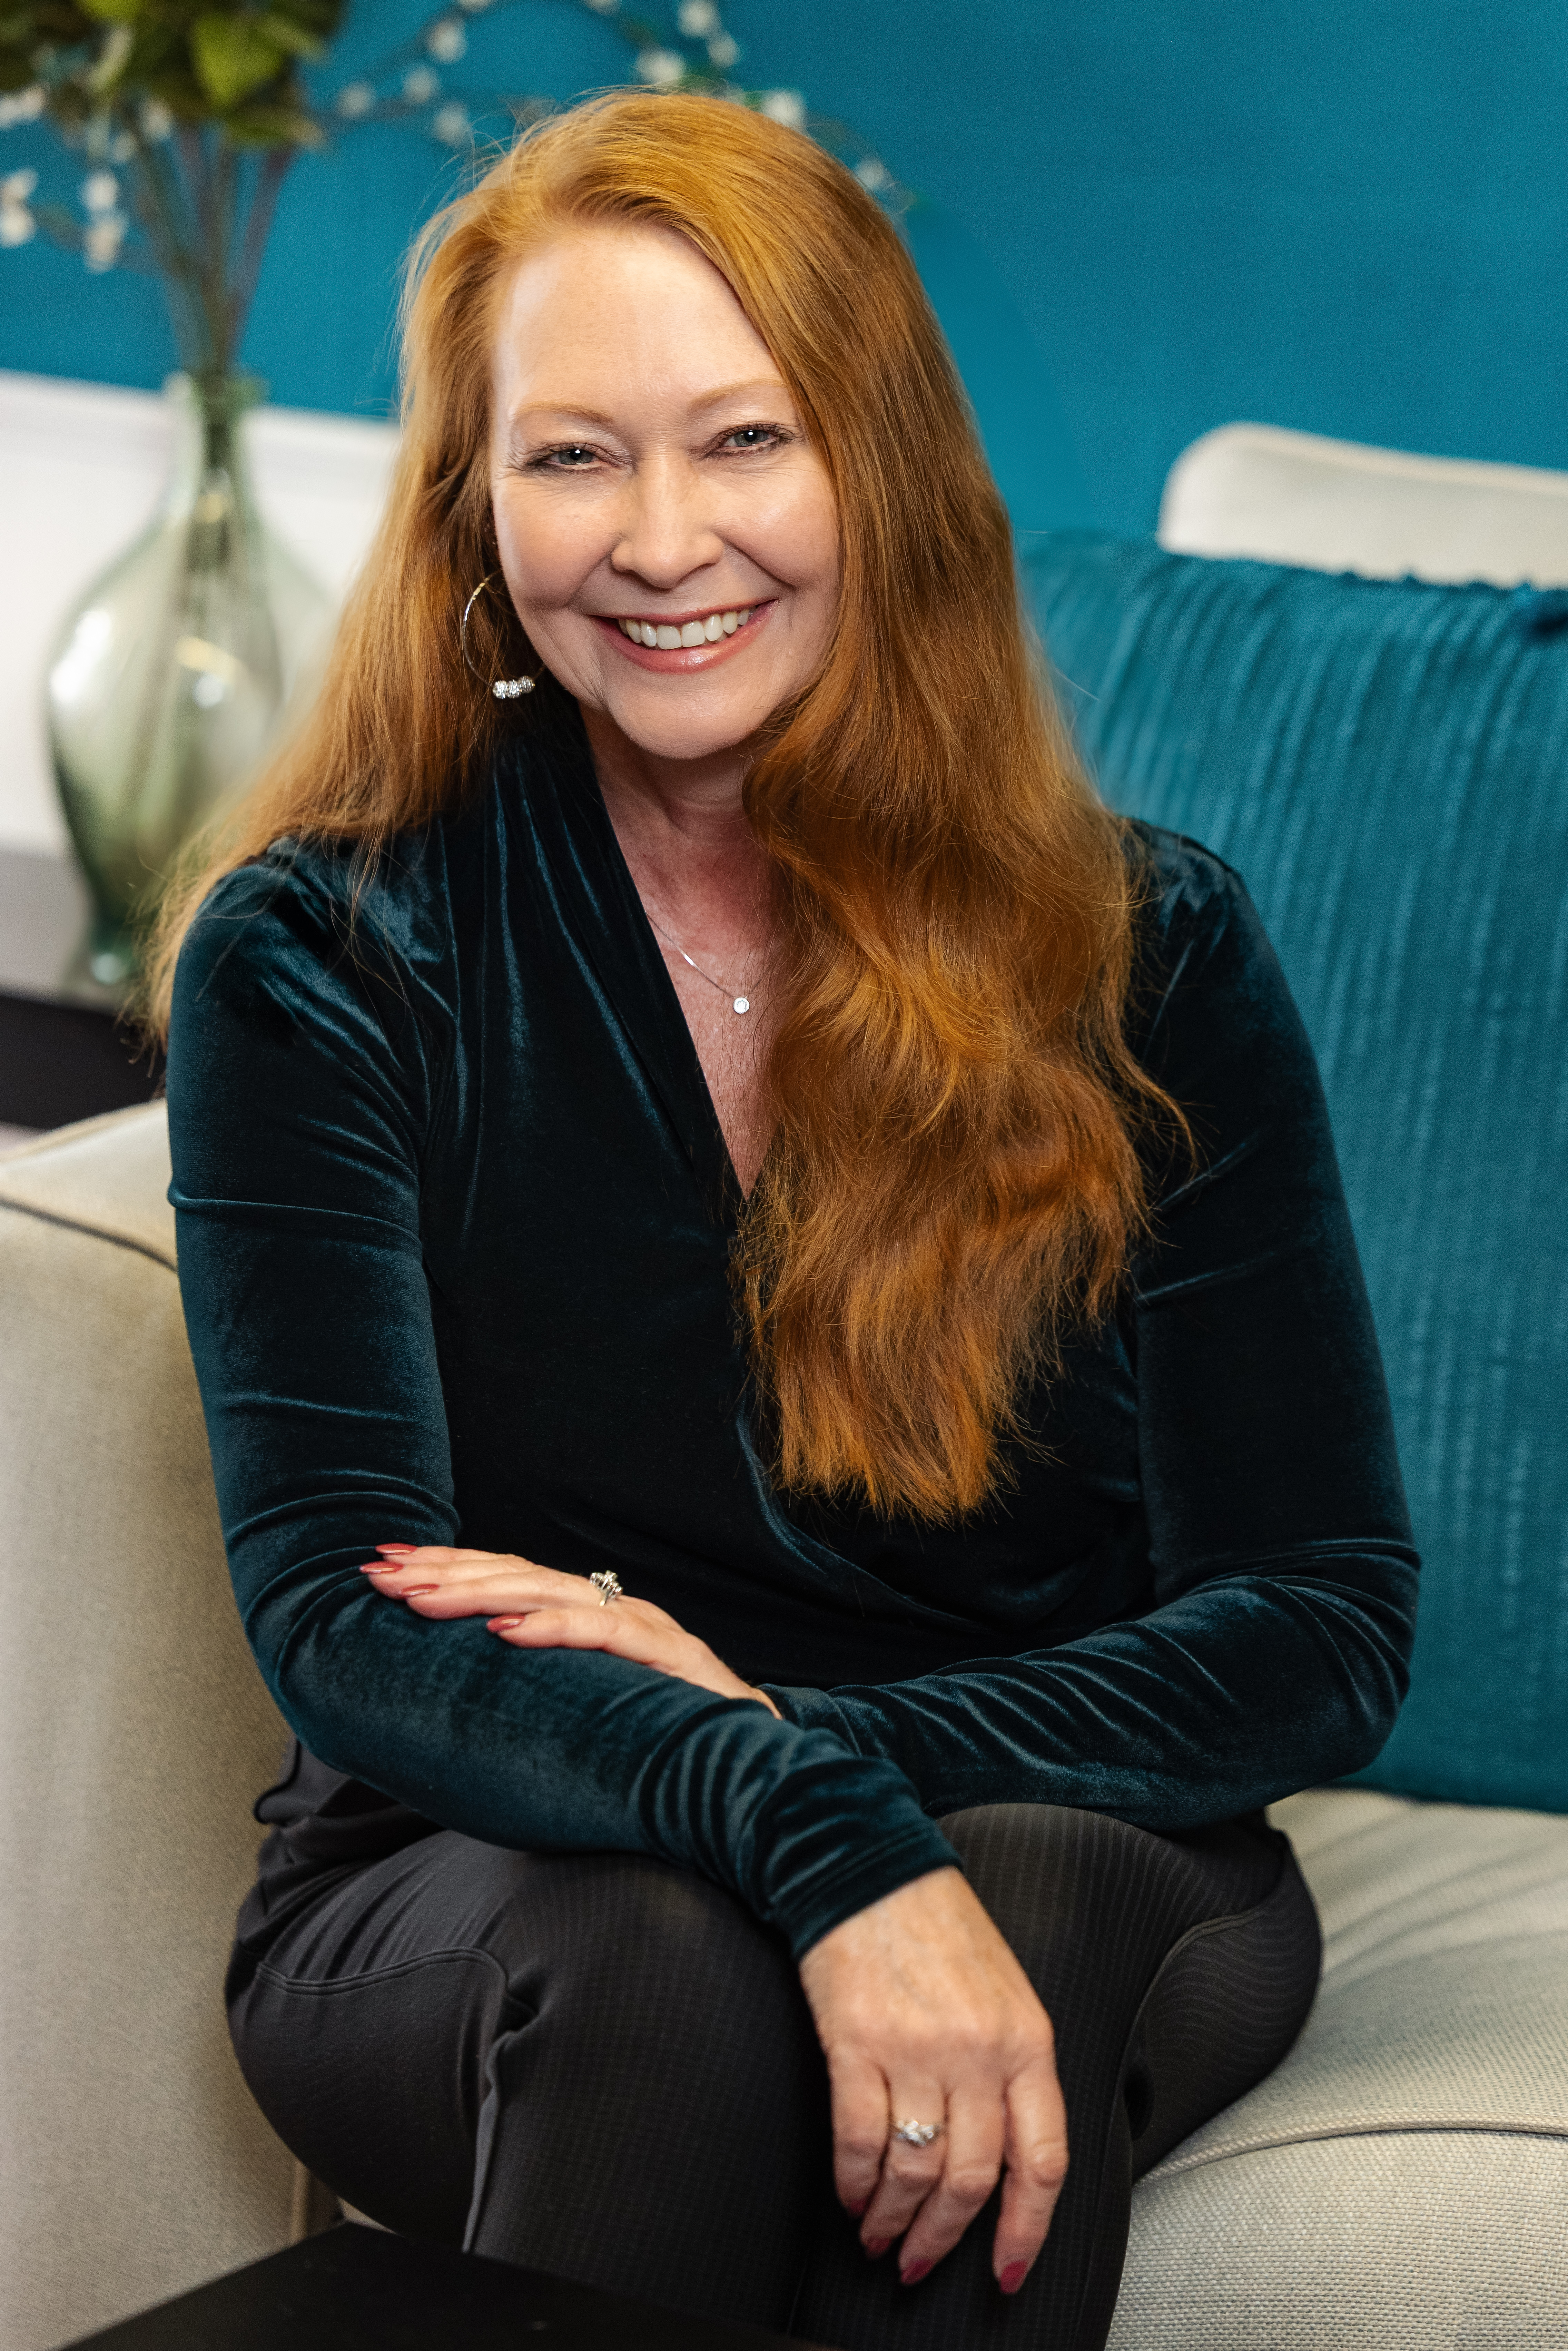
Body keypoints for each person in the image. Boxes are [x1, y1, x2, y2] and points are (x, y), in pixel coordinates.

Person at [154, 90, 1418, 2351]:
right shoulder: (327, 955)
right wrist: (787, 1832)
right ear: (469, 507)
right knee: (664, 1961)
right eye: (571, 457)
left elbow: (1315, 1619)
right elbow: (348, 1618)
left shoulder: (1151, 956)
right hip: (484, 1879)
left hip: (1073, 1821)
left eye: (743, 440)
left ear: (882, 472)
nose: (660, 539)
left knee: (1000, 1906)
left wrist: (797, 1761)